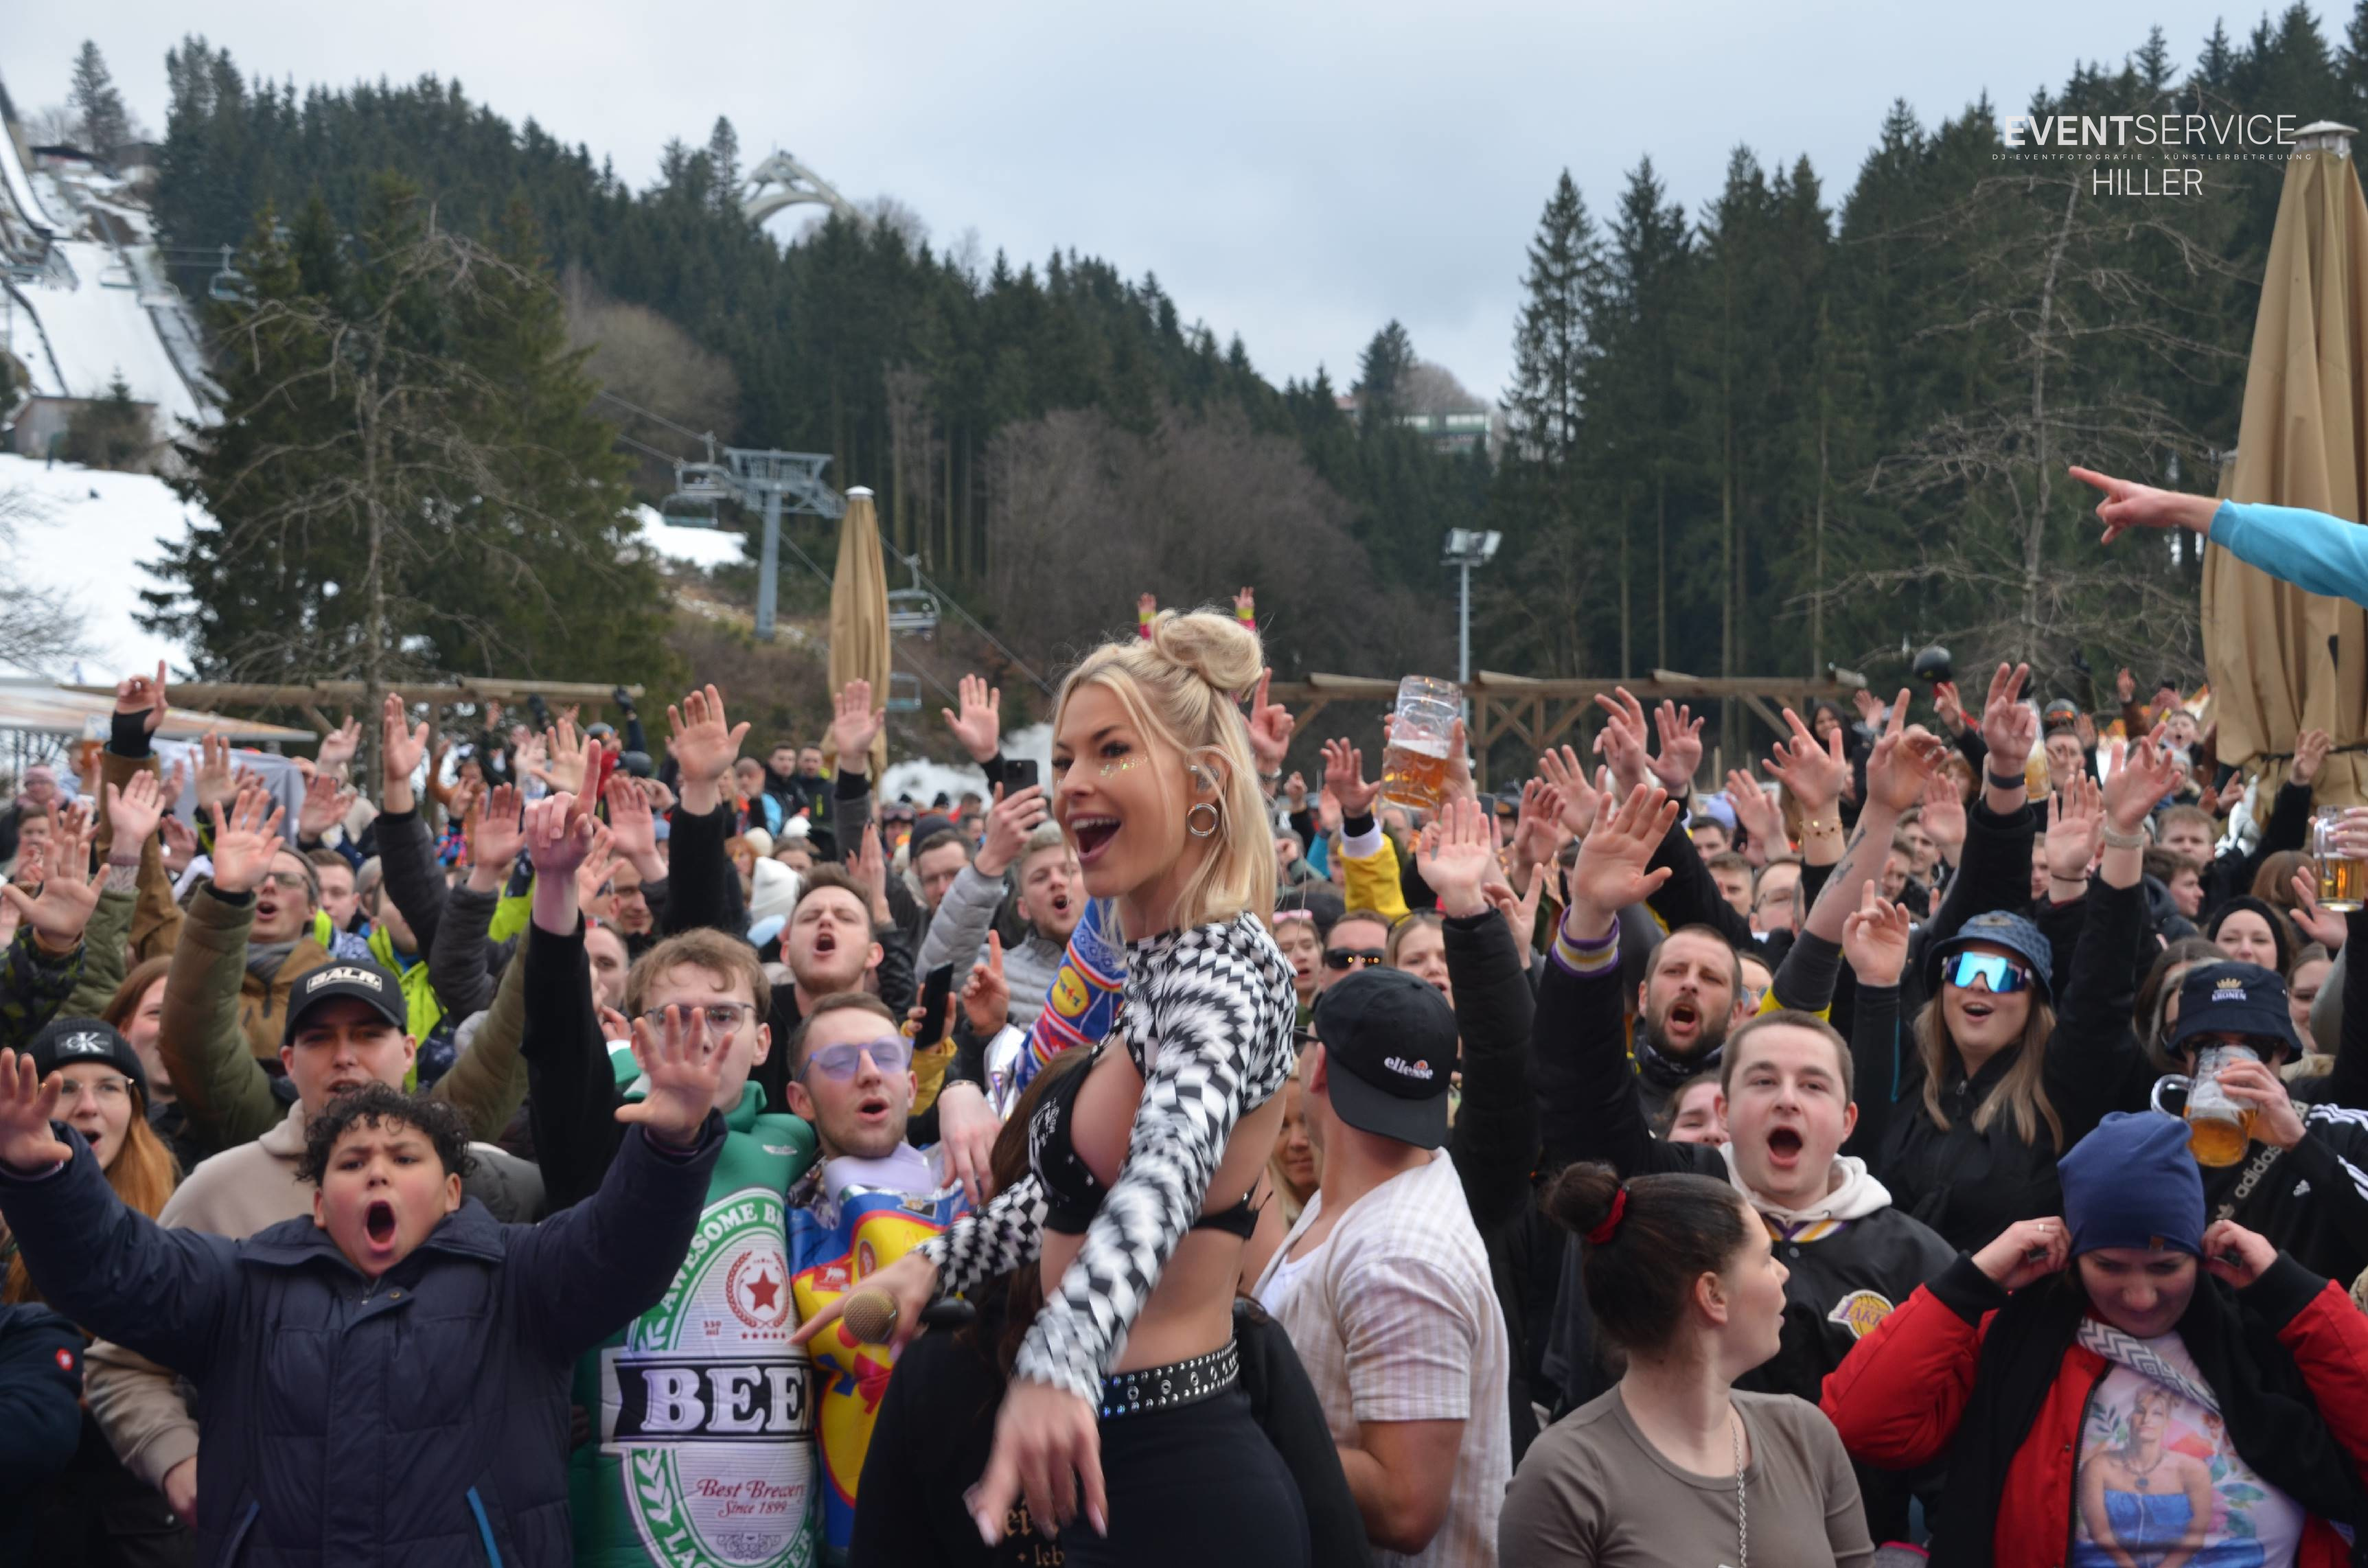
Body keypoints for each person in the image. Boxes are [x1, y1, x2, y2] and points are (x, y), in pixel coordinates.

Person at [795, 608, 1308, 1567]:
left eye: (1112, 751)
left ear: (1204, 782)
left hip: (1177, 1490)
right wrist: (938, 1263)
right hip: (1111, 1463)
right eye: (1064, 757)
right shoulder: (1161, 964)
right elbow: (1078, 1195)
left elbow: (1161, 1182)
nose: (1072, 783)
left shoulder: (1225, 968)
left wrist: (1059, 1358)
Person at [0, 1013, 731, 1568]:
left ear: (452, 1192)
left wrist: (669, 1148)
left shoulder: (521, 1277)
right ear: (321, 1204)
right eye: (352, 1162)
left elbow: (620, 1248)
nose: (377, 1170)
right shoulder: (241, 1283)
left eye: (404, 1158)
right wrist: (44, 1177)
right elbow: (117, 1266)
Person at [83, 952, 541, 1536]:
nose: (344, 1056)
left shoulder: (496, 1181)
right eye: (320, 1038)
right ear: (288, 1062)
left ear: (409, 1050)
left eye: (368, 1033)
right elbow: (122, 1362)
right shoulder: (218, 1191)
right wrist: (177, 1461)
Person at [1822, 1111, 2368, 1568]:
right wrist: (1969, 1283)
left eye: (2165, 1266)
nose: (2140, 1296)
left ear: (2200, 1254)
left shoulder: (2260, 1336)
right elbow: (1864, 1426)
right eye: (2108, 1265)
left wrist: (2292, 1294)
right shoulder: (2013, 1336)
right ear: (2071, 1254)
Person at [1852, 731, 2176, 1254]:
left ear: (2034, 1002)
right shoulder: (1905, 1071)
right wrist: (1875, 984)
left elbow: (2101, 987)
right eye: (1964, 968)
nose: (1980, 983)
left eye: (2004, 974)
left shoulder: (2060, 1091)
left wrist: (2121, 836)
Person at [1251, 967, 1512, 1565]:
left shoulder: (1399, 1256)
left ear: (1317, 1065)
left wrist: (1230, 1432)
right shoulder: (1364, 1197)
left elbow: (1404, 1506)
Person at [1499, 1162, 1874, 1567]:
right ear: (1713, 1294)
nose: (1784, 1273)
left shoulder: (1805, 1434)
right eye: (1766, 1258)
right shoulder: (1565, 1476)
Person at [782, 992, 970, 1558]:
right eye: (839, 1062)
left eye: (885, 1056)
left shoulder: (973, 1176)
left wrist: (963, 1092)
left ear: (911, 1086)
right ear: (801, 1100)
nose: (868, 1073)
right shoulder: (783, 1222)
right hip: (867, 1534)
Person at [0, 1017, 189, 1563]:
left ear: (135, 1108)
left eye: (109, 1087)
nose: (87, 1107)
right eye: (64, 1088)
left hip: (141, 1511)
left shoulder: (183, 1207)